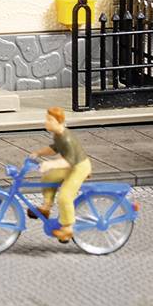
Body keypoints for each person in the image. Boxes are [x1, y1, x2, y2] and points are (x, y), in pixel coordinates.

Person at [36, 105, 91, 245]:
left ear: (58, 122)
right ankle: (46, 207)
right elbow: (54, 148)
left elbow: (68, 162)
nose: (46, 122)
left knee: (64, 197)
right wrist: (38, 153)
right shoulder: (58, 134)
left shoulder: (67, 138)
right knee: (48, 178)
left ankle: (67, 228)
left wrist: (50, 164)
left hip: (79, 167)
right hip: (71, 165)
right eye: (46, 119)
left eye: (49, 120)